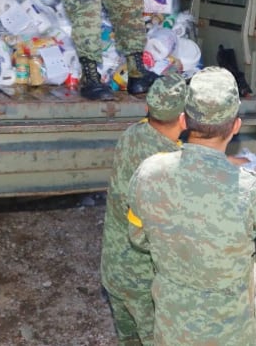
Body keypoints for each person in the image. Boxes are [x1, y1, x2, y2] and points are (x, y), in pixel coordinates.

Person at [127, 67, 256, 345]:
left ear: (184, 120)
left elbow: (138, 237)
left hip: (172, 330)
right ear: (235, 126)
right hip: (232, 334)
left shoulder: (148, 172)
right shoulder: (253, 190)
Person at [100, 73, 187, 346]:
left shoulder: (131, 134)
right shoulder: (171, 164)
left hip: (114, 270)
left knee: (128, 339)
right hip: (144, 283)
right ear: (184, 118)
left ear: (147, 108)